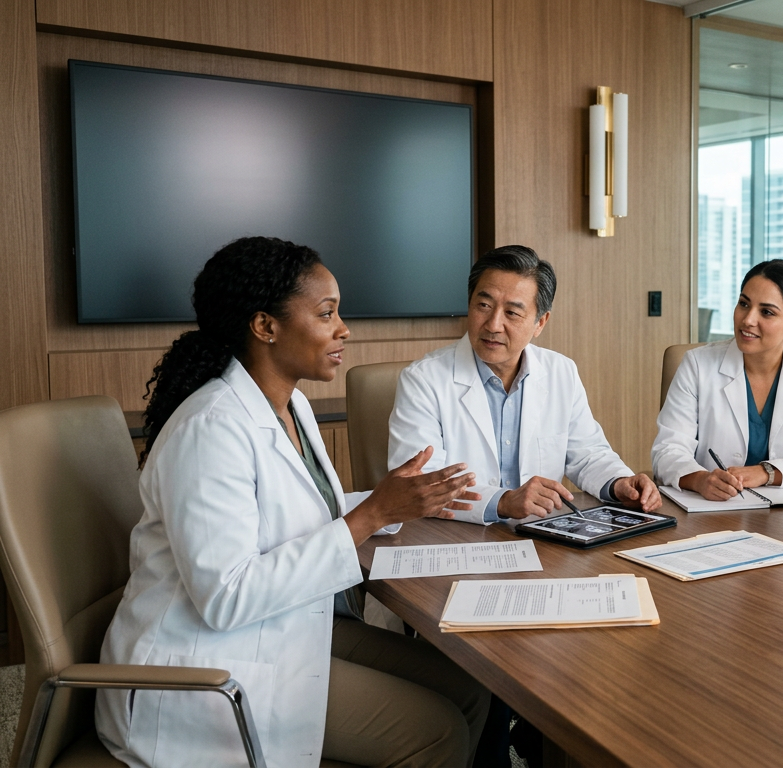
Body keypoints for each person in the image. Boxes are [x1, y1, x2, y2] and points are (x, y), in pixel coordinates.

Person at [96, 237, 491, 767]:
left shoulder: (291, 405)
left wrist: (396, 500)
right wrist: (373, 514)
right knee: (436, 733)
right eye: (326, 313)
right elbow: (227, 597)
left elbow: (289, 511)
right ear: (266, 326)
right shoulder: (211, 429)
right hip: (205, 665)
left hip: (282, 627)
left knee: (470, 684)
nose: (343, 329)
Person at [388, 245, 660, 522]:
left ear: (540, 322)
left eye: (512, 313)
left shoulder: (560, 371)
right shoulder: (423, 379)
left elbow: (588, 454)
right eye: (484, 305)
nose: (493, 324)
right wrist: (503, 502)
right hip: (454, 539)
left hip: (541, 537)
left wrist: (619, 483)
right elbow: (419, 485)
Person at [653, 259, 783, 498]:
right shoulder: (697, 364)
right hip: (714, 510)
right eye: (744, 304)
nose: (748, 319)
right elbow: (668, 449)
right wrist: (701, 480)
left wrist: (767, 473)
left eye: (766, 312)